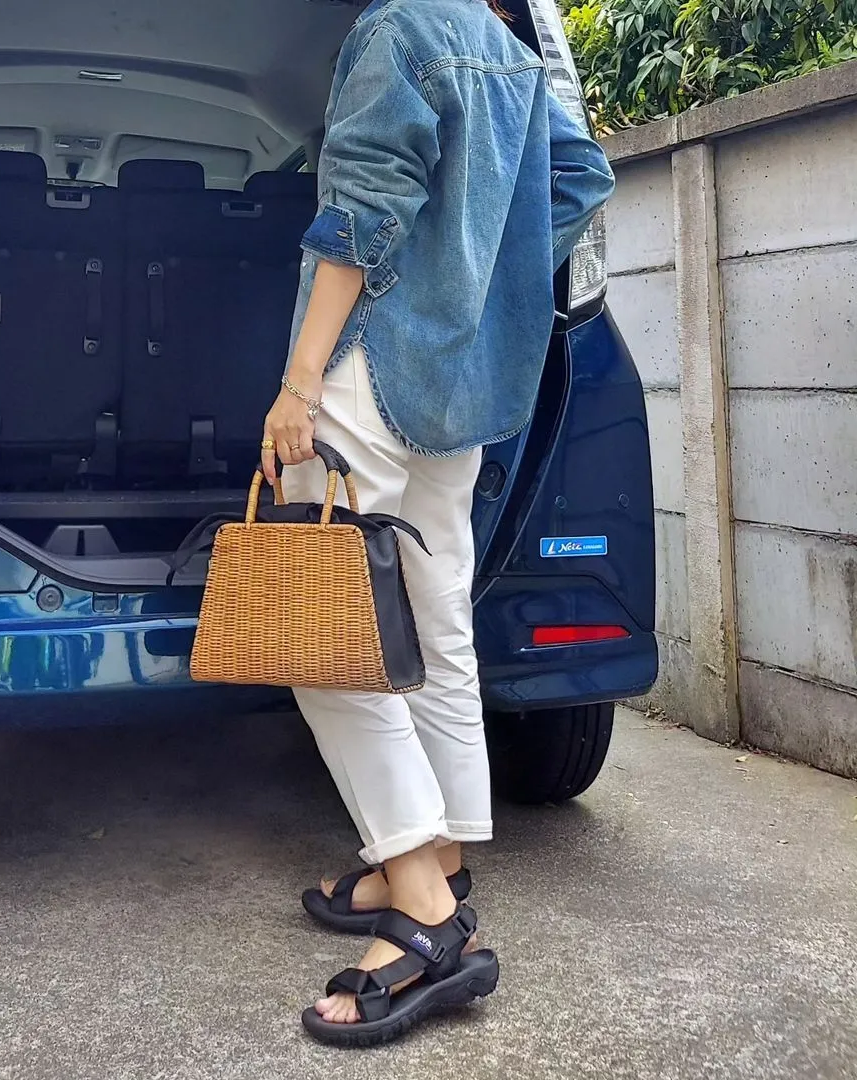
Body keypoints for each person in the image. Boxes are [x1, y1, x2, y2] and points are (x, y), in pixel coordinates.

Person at [262, 0, 614, 1046]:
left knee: (320, 636)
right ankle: (444, 856)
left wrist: (297, 383)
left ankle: (422, 908)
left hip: (367, 369)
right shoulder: (512, 51)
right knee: (434, 616)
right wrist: (483, 289)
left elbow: (363, 215)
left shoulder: (397, 32)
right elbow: (582, 177)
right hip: (463, 383)